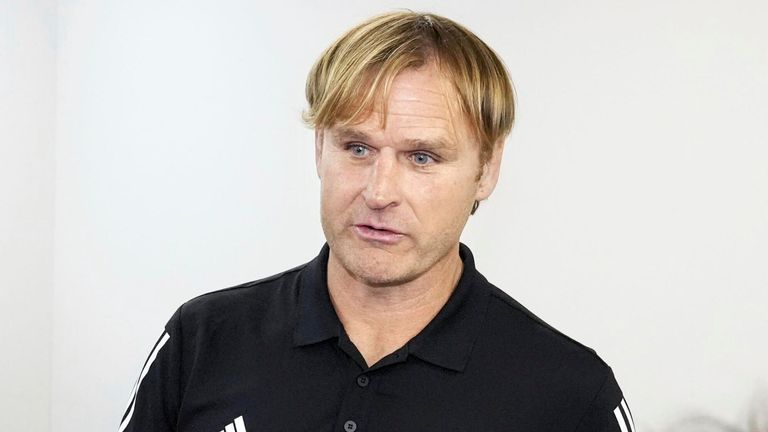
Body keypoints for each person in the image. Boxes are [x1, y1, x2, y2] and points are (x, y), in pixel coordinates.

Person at [119, 11, 634, 432]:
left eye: (423, 157)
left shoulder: (571, 395)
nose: (380, 192)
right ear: (320, 147)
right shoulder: (203, 340)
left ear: (487, 169)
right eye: (358, 147)